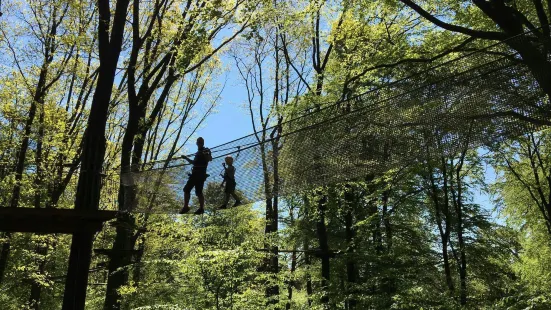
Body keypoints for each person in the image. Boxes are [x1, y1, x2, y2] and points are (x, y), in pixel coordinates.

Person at [179, 137, 212, 215]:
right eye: (199, 142)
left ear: (203, 143)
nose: (200, 143)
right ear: (197, 143)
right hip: (197, 174)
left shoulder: (205, 150)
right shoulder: (198, 152)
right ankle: (198, 208)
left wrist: (206, 153)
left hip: (199, 174)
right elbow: (193, 162)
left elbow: (209, 159)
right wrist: (186, 158)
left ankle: (190, 207)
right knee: (197, 192)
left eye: (201, 142)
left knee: (187, 189)